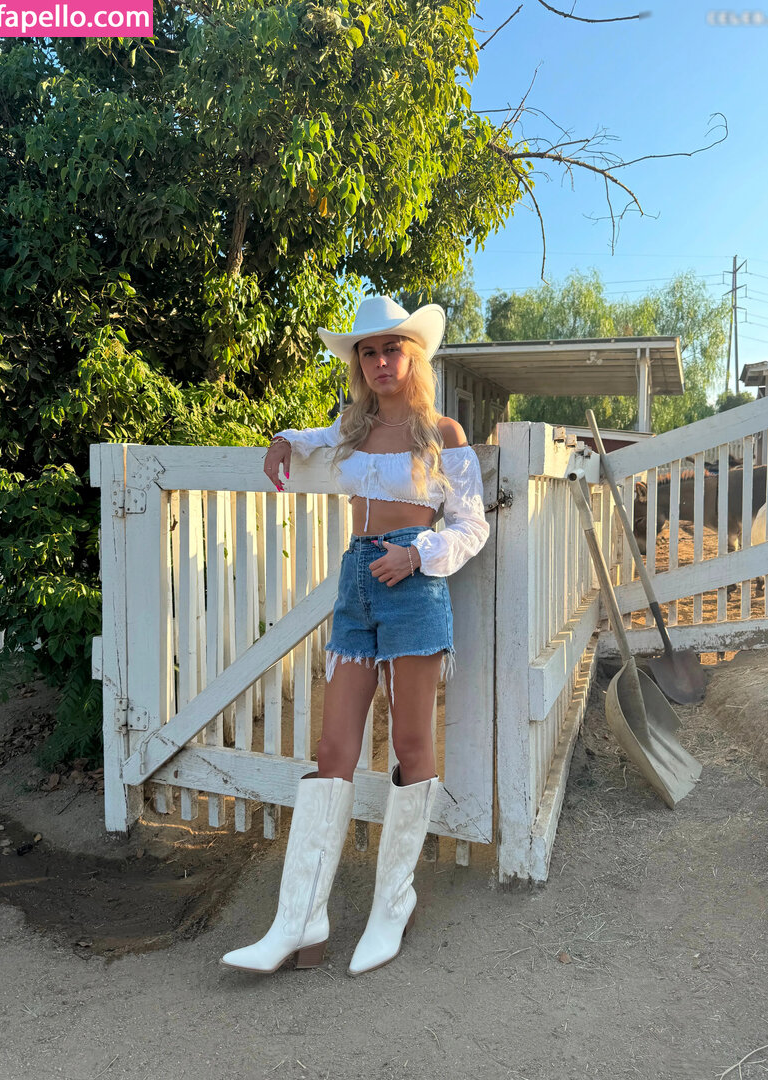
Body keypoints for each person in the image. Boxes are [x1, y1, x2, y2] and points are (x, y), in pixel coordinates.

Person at [220, 295, 490, 978]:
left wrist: (418, 553)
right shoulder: (350, 428)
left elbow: (472, 525)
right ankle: (299, 920)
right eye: (367, 352)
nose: (379, 361)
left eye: (391, 348)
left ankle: (393, 903)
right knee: (333, 747)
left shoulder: (443, 433)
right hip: (356, 586)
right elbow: (311, 439)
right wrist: (284, 439)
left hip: (412, 584)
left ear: (414, 355)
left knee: (411, 743)